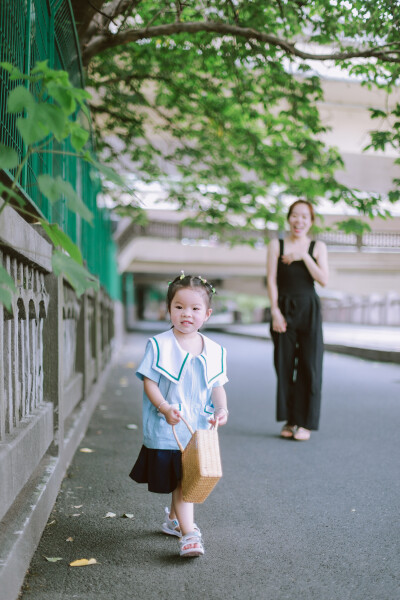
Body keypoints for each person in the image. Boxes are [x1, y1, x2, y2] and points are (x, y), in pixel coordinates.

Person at [129, 273, 228, 558]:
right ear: (168, 308)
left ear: (207, 314)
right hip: (168, 425)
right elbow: (149, 381)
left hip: (198, 429)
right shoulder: (159, 345)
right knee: (181, 481)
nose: (187, 314)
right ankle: (190, 534)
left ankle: (176, 522)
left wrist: (221, 409)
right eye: (179, 307)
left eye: (195, 308)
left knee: (185, 479)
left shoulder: (214, 350)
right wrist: (163, 407)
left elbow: (217, 386)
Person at [267, 200, 329, 441]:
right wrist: (274, 311)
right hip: (283, 307)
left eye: (304, 217)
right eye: (295, 215)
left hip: (310, 310)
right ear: (289, 218)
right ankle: (290, 419)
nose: (299, 221)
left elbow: (323, 279)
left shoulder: (317, 246)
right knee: (284, 365)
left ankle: (305, 423)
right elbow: (271, 279)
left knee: (309, 366)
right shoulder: (276, 244)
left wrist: (304, 255)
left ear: (311, 221)